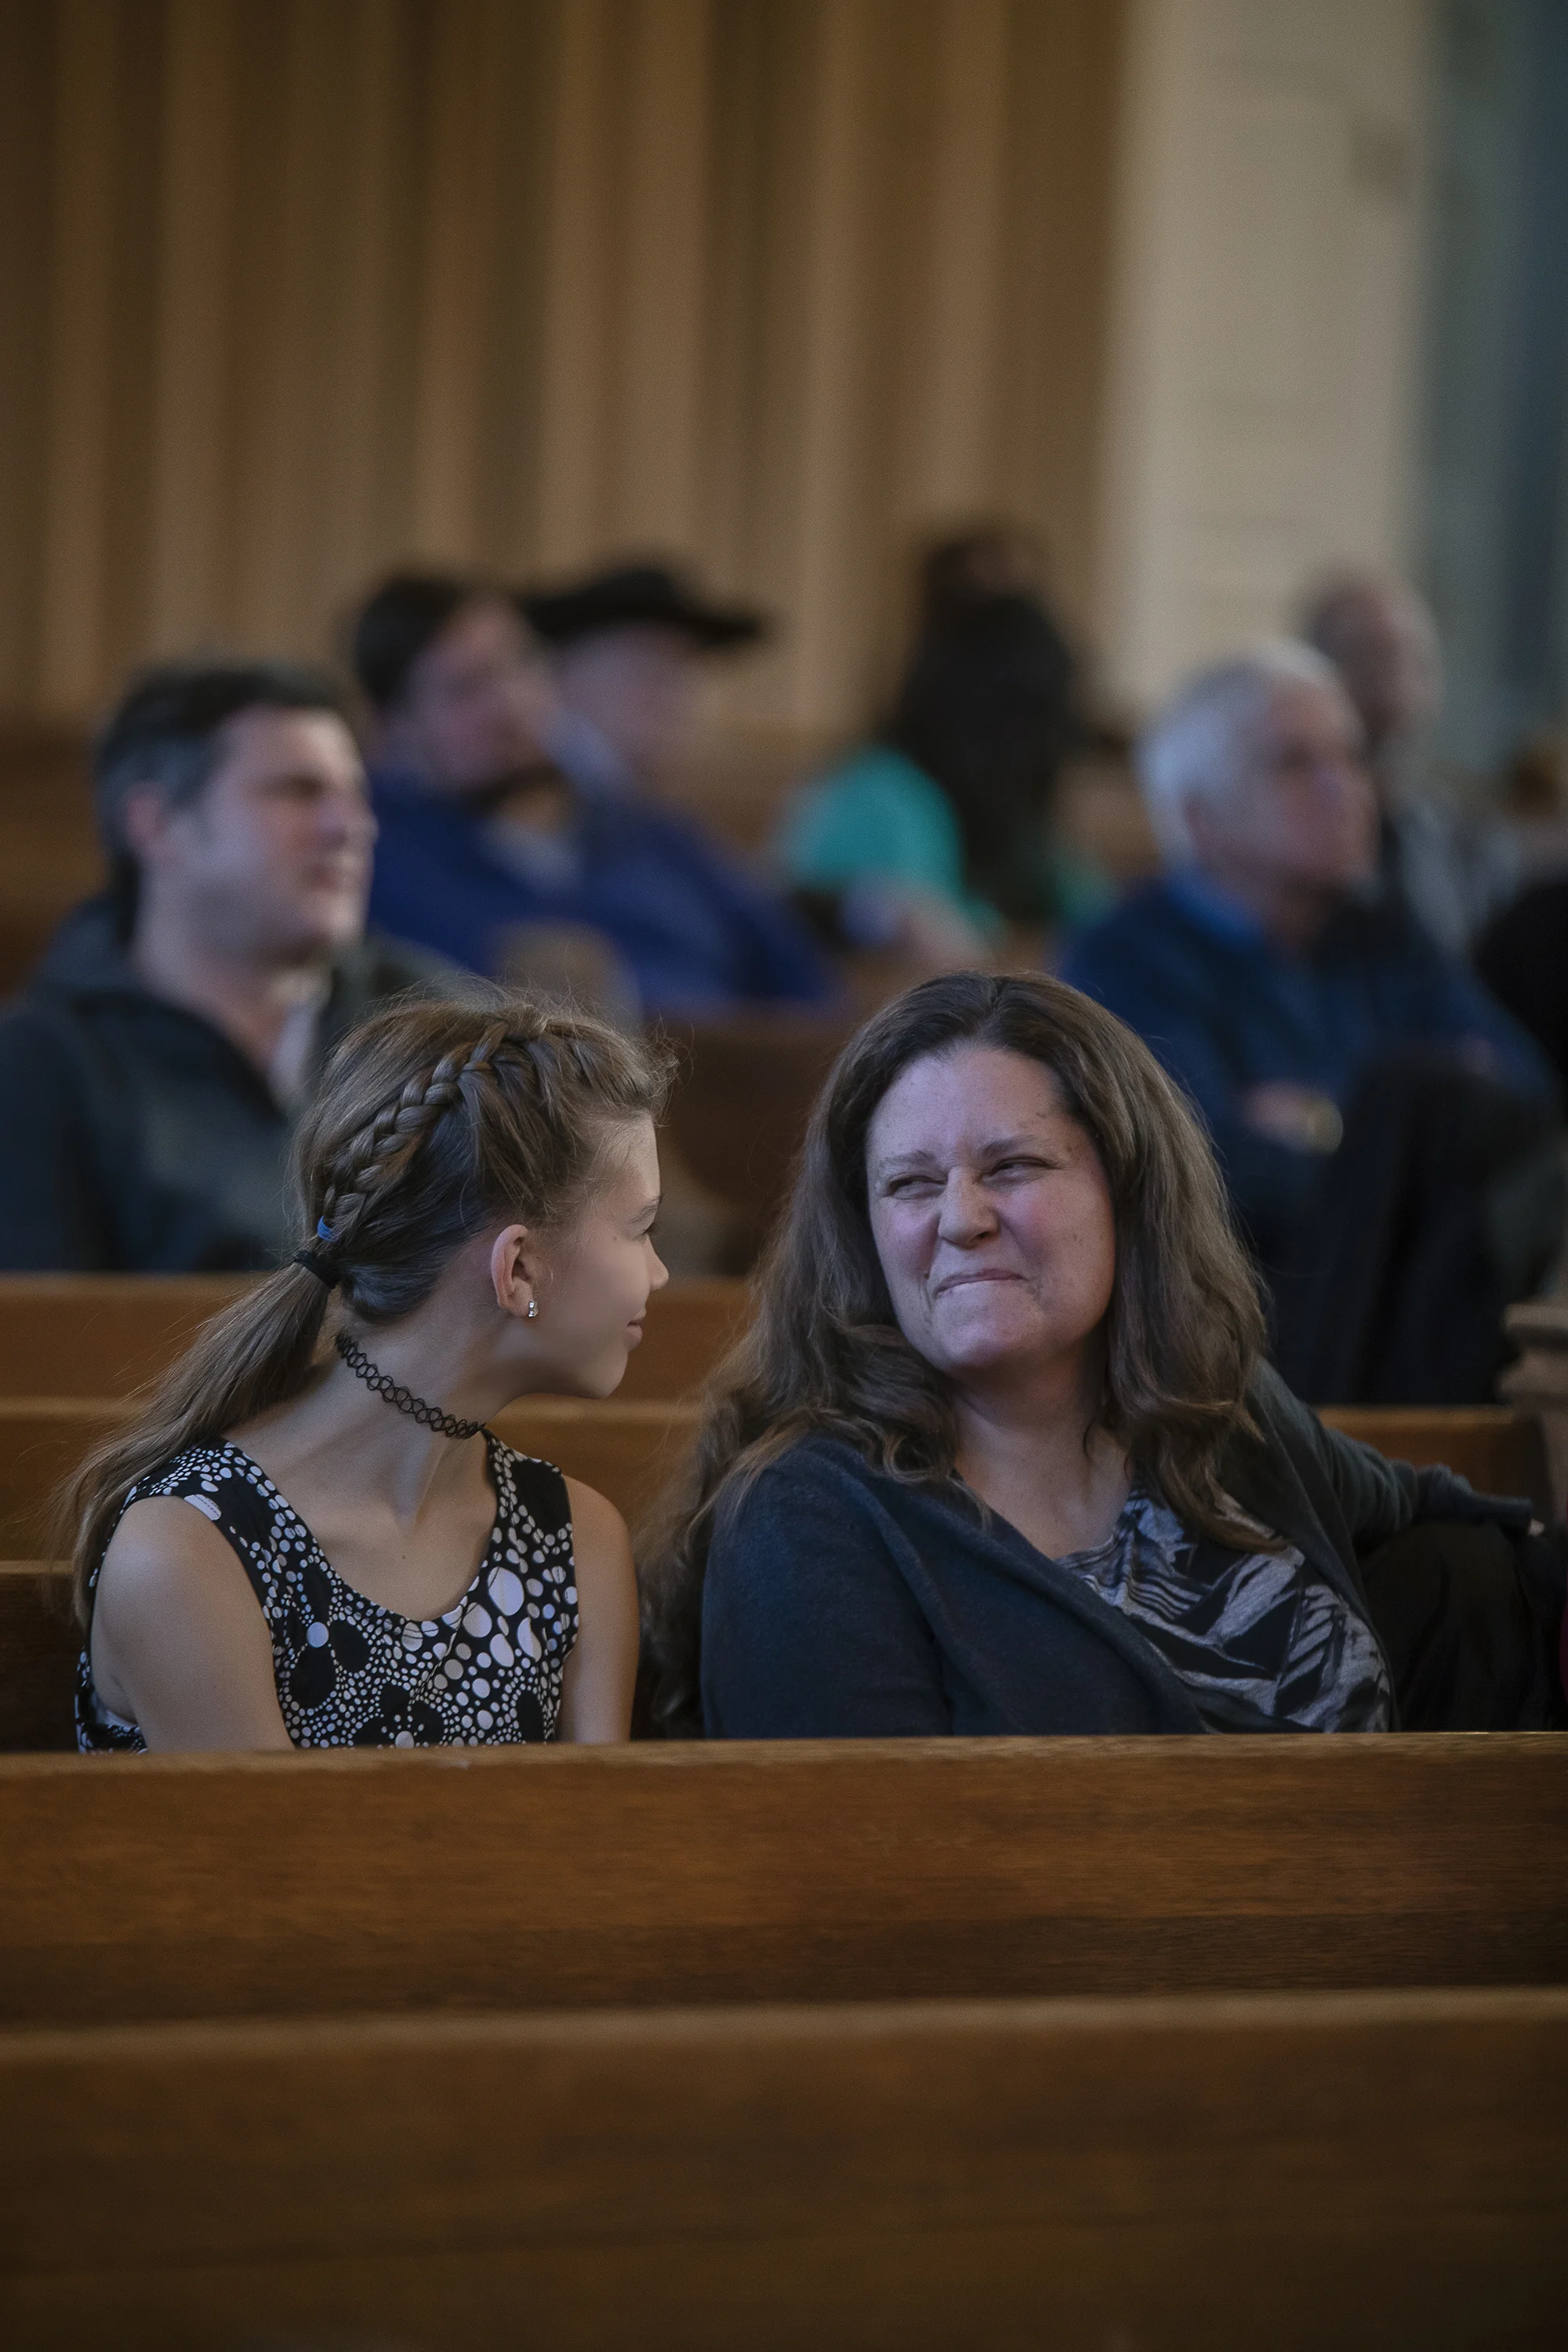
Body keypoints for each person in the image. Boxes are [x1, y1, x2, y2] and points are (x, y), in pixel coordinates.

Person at [639, 973, 1563, 1739]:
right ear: (862, 1233)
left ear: (1126, 1190)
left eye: (1011, 1167)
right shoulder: (805, 1519)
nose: (959, 1218)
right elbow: (864, 1875)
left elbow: (1432, 1518)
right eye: (910, 1184)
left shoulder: (1210, 1410)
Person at [69, 996, 667, 1751]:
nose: (660, 1272)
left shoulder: (577, 1544)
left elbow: (600, 1825)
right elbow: (278, 1836)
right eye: (641, 1229)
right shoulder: (190, 1550)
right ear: (517, 1268)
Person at [1060, 644, 1560, 1399]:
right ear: (1200, 819)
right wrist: (1397, 1139)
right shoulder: (1125, 960)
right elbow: (1204, 1176)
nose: (1346, 788)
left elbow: (1524, 1101)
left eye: (1350, 758)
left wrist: (1325, 1123)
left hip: (1416, 1311)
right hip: (1241, 1346)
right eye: (1295, 764)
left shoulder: (1386, 935)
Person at [0, 658, 456, 1272]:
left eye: (355, 795)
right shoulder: (38, 1063)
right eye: (298, 791)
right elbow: (42, 1325)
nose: (350, 827)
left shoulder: (442, 1023)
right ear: (157, 825)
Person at [358, 567, 834, 1015]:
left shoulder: (657, 837)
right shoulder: (371, 861)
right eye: (465, 689)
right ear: (394, 725)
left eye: (521, 664)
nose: (511, 704)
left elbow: (813, 1004)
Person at [778, 524, 1109, 948]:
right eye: (1032, 722)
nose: (1055, 747)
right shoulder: (880, 802)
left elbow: (1101, 926)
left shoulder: (1020, 826)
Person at [1302, 571, 1522, 955]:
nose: (1393, 684)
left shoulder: (1473, 847)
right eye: (1365, 656)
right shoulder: (1277, 840)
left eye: (1413, 659)